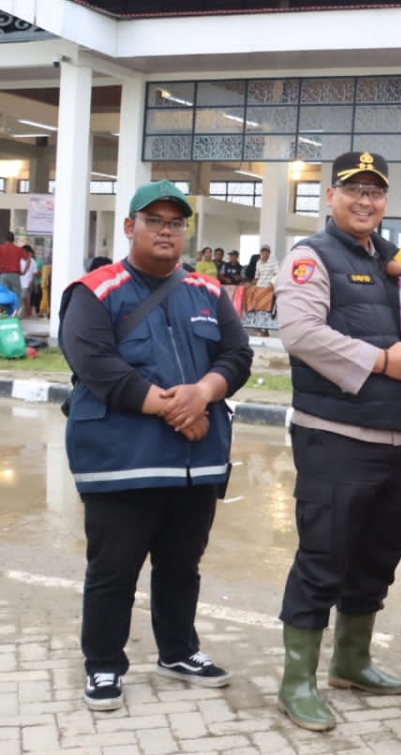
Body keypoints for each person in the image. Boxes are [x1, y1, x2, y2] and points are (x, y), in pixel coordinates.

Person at [273, 151, 401, 732]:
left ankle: (351, 661)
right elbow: (300, 332)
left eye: (376, 192)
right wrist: (380, 360)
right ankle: (296, 680)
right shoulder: (311, 257)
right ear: (331, 196)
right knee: (323, 556)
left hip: (400, 441)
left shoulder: (400, 261)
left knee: (380, 553)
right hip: (335, 437)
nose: (365, 201)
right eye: (354, 190)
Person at [58, 179, 252, 712]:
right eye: (154, 221)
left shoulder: (208, 292)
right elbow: (95, 365)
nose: (166, 231)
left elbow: (237, 357)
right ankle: (102, 665)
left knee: (181, 566)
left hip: (195, 464)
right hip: (122, 462)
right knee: (114, 569)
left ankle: (178, 651)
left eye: (176, 223)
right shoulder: (94, 291)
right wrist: (175, 407)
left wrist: (204, 393)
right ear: (130, 227)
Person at [244, 246, 278, 313]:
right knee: (256, 303)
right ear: (261, 253)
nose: (264, 253)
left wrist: (272, 283)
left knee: (265, 306)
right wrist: (250, 284)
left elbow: (277, 274)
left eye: (266, 251)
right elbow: (256, 277)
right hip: (259, 287)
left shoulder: (274, 262)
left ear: (269, 253)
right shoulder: (258, 263)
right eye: (263, 251)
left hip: (268, 287)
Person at [0, 231, 28, 300]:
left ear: (4, 239)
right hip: (15, 275)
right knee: (17, 295)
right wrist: (24, 271)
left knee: (4, 296)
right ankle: (17, 310)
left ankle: (5, 310)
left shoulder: (0, 248)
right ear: (13, 240)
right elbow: (29, 260)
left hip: (3, 275)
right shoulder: (18, 249)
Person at [19, 245, 37, 317]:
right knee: (21, 299)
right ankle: (24, 314)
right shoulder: (19, 260)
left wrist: (31, 282)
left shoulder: (33, 261)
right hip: (19, 282)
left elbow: (35, 273)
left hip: (27, 283)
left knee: (25, 299)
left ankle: (28, 314)